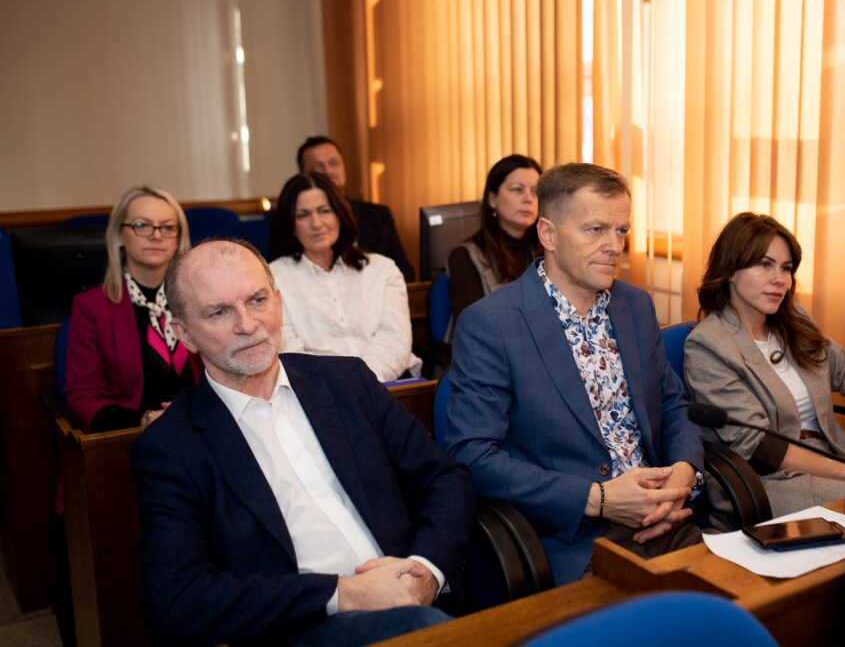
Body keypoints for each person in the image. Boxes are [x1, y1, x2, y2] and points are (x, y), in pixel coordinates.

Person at [130, 238, 475, 646]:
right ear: (184, 334)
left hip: (422, 598)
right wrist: (342, 595)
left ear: (278, 301)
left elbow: (445, 478)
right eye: (219, 312)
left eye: (257, 300)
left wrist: (425, 572)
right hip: (303, 626)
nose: (247, 323)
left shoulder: (347, 381)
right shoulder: (172, 446)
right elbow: (179, 600)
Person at [446, 162, 705, 587]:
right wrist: (598, 500)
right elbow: (473, 455)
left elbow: (674, 405)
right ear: (548, 235)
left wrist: (683, 472)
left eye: (621, 231)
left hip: (667, 521)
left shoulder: (635, 306)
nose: (613, 245)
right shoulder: (492, 323)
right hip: (573, 545)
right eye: (595, 230)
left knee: (750, 613)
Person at [683, 212, 845, 516]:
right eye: (765, 264)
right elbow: (760, 447)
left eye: (786, 268)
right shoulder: (710, 344)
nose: (779, 279)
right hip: (767, 479)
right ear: (731, 270)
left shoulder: (794, 322)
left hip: (831, 460)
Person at [65, 185, 202, 432]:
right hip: (133, 435)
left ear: (178, 238)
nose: (157, 235)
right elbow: (83, 397)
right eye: (142, 225)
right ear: (119, 234)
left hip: (204, 424)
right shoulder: (91, 307)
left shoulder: (200, 297)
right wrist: (144, 420)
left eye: (168, 227)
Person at [268, 172, 421, 382]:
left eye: (324, 211)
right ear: (290, 224)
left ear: (340, 214)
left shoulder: (383, 269)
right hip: (321, 392)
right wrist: (340, 390)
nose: (316, 223)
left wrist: (363, 383)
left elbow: (395, 341)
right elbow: (290, 352)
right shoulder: (273, 278)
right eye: (303, 215)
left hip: (389, 384)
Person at [297, 135, 415, 281]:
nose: (328, 171)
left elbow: (405, 273)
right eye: (318, 167)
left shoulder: (378, 215)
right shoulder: (295, 221)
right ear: (303, 175)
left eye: (334, 163)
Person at [447, 154, 541, 329]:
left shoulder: (549, 253)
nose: (529, 198)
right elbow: (473, 326)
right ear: (492, 199)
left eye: (535, 191)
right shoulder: (466, 255)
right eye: (517, 189)